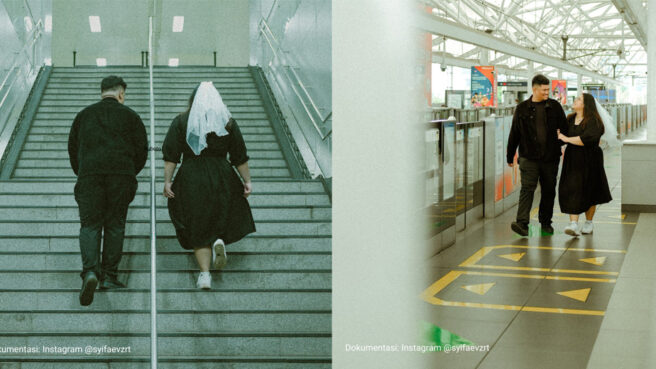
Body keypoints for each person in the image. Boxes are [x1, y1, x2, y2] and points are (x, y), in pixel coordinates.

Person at [162, 81, 256, 289]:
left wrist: (168, 181)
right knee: (220, 212)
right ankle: (218, 241)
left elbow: (171, 156)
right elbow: (240, 155)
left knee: (197, 224)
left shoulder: (181, 121)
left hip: (191, 176)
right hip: (222, 174)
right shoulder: (228, 122)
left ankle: (205, 275)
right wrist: (247, 181)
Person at [68, 75, 148, 306]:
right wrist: (129, 170)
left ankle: (90, 272)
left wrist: (83, 170)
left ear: (102, 92)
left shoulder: (84, 115)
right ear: (121, 93)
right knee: (114, 224)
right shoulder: (131, 116)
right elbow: (141, 150)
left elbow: (73, 148)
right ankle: (110, 276)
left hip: (90, 176)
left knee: (90, 225)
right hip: (121, 176)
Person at [506, 74, 568, 236]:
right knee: (527, 189)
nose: (547, 92)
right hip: (528, 157)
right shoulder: (522, 108)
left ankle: (546, 222)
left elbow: (565, 130)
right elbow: (515, 133)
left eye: (548, 89)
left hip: (550, 158)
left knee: (548, 190)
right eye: (544, 89)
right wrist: (510, 155)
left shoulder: (555, 107)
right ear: (534, 89)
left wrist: (557, 144)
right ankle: (522, 223)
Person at [557, 93, 613, 236]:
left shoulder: (594, 121)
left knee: (590, 189)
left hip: (590, 159)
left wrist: (566, 138)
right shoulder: (569, 119)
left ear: (585, 104)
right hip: (572, 159)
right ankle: (573, 223)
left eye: (579, 99)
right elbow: (561, 138)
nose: (575, 100)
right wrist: (559, 137)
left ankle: (589, 222)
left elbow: (585, 140)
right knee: (571, 188)